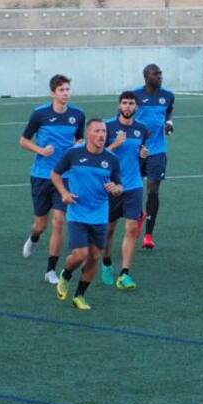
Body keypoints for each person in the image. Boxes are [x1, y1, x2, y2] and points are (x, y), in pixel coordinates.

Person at [20, 74, 86, 284]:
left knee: (59, 221)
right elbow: (23, 140)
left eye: (68, 89)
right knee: (41, 224)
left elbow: (80, 139)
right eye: (61, 90)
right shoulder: (40, 114)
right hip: (41, 175)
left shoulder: (78, 114)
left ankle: (50, 270)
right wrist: (41, 149)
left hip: (65, 176)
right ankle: (34, 237)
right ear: (53, 93)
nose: (65, 93)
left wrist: (79, 146)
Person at [52, 119, 123, 311]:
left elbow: (119, 185)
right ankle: (66, 274)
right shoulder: (73, 154)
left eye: (104, 131)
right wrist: (64, 193)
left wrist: (115, 189)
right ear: (89, 134)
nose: (102, 135)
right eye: (97, 131)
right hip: (77, 213)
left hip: (100, 215)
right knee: (80, 254)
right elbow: (56, 174)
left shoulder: (111, 159)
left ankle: (79, 296)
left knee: (93, 257)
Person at [102, 92, 151, 290]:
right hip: (111, 187)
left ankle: (124, 274)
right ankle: (106, 263)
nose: (127, 107)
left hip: (134, 186)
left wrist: (143, 155)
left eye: (131, 103)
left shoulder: (142, 129)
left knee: (131, 229)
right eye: (124, 103)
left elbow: (139, 159)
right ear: (119, 105)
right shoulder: (107, 127)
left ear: (136, 107)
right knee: (109, 229)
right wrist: (114, 144)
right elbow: (97, 154)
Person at [132, 64, 175, 250]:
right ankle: (137, 216)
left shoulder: (167, 95)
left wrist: (169, 122)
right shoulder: (135, 96)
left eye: (160, 73)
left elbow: (168, 110)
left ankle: (148, 235)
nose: (160, 76)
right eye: (155, 74)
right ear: (146, 76)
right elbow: (124, 117)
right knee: (132, 187)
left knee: (153, 189)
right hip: (136, 149)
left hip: (157, 150)